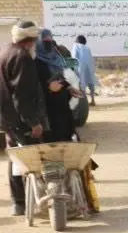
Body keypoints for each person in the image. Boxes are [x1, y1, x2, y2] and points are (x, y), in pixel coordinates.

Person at [0, 21, 47, 216]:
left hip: (6, 118)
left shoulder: (5, 52)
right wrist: (34, 122)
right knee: (30, 159)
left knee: (15, 157)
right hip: (20, 120)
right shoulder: (23, 58)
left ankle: (18, 203)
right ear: (30, 40)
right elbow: (22, 96)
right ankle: (31, 200)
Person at [35, 30, 80, 143]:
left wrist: (68, 88)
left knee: (66, 139)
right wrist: (48, 88)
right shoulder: (34, 62)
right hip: (48, 109)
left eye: (50, 40)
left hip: (62, 106)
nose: (48, 43)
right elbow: (33, 85)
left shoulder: (56, 58)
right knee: (52, 142)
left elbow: (61, 78)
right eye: (45, 41)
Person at [71, 35, 99, 105]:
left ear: (78, 40)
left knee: (81, 83)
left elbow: (74, 57)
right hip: (89, 67)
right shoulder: (87, 48)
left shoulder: (76, 46)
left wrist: (73, 68)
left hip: (80, 67)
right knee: (91, 83)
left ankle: (83, 102)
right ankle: (93, 100)